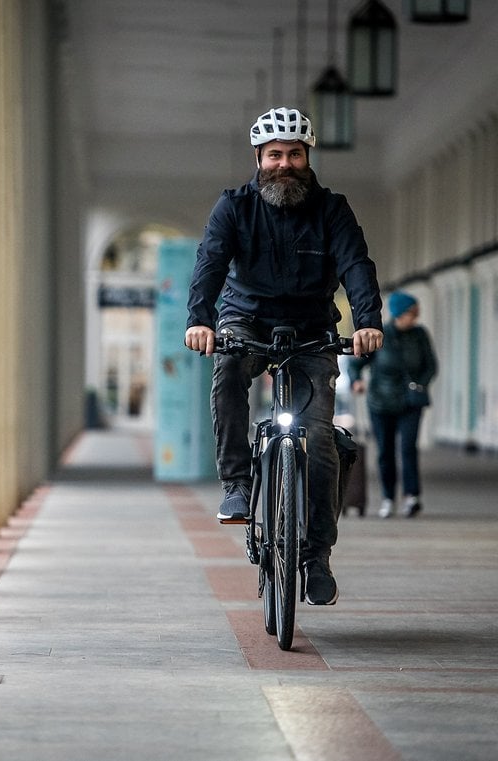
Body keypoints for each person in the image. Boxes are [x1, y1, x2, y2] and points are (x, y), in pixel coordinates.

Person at [184, 107, 384, 605]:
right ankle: (236, 482)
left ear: (308, 157)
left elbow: (356, 264)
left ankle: (317, 556)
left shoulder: (332, 210)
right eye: (275, 155)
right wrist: (199, 320)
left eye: (295, 154)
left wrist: (367, 323)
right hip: (244, 320)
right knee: (228, 370)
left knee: (318, 439)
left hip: (312, 327)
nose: (285, 164)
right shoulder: (233, 207)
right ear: (258, 158)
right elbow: (210, 261)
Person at [348, 291, 438, 518]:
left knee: (408, 449)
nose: (415, 318)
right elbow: (356, 363)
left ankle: (412, 496)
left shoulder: (420, 335)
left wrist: (420, 384)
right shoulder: (380, 336)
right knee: (385, 452)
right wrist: (356, 380)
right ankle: (388, 498)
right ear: (399, 314)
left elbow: (431, 365)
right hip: (380, 402)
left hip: (410, 402)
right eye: (411, 313)